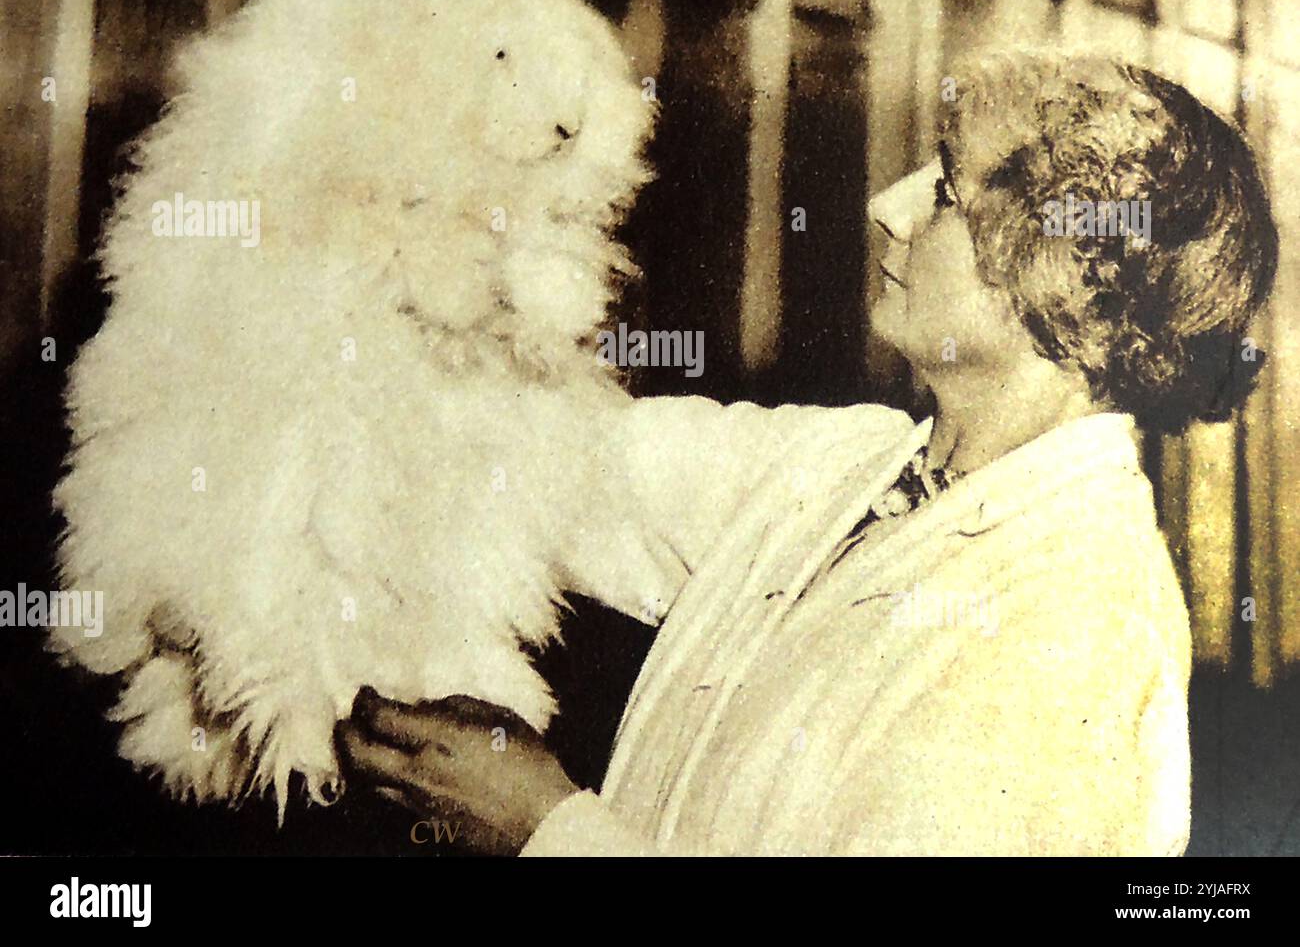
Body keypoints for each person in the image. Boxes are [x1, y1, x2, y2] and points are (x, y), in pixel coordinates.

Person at [334, 51, 1278, 855]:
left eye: (948, 188)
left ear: (1067, 268)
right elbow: (560, 463)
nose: (889, 206)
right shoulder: (849, 469)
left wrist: (545, 828)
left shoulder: (1078, 624)